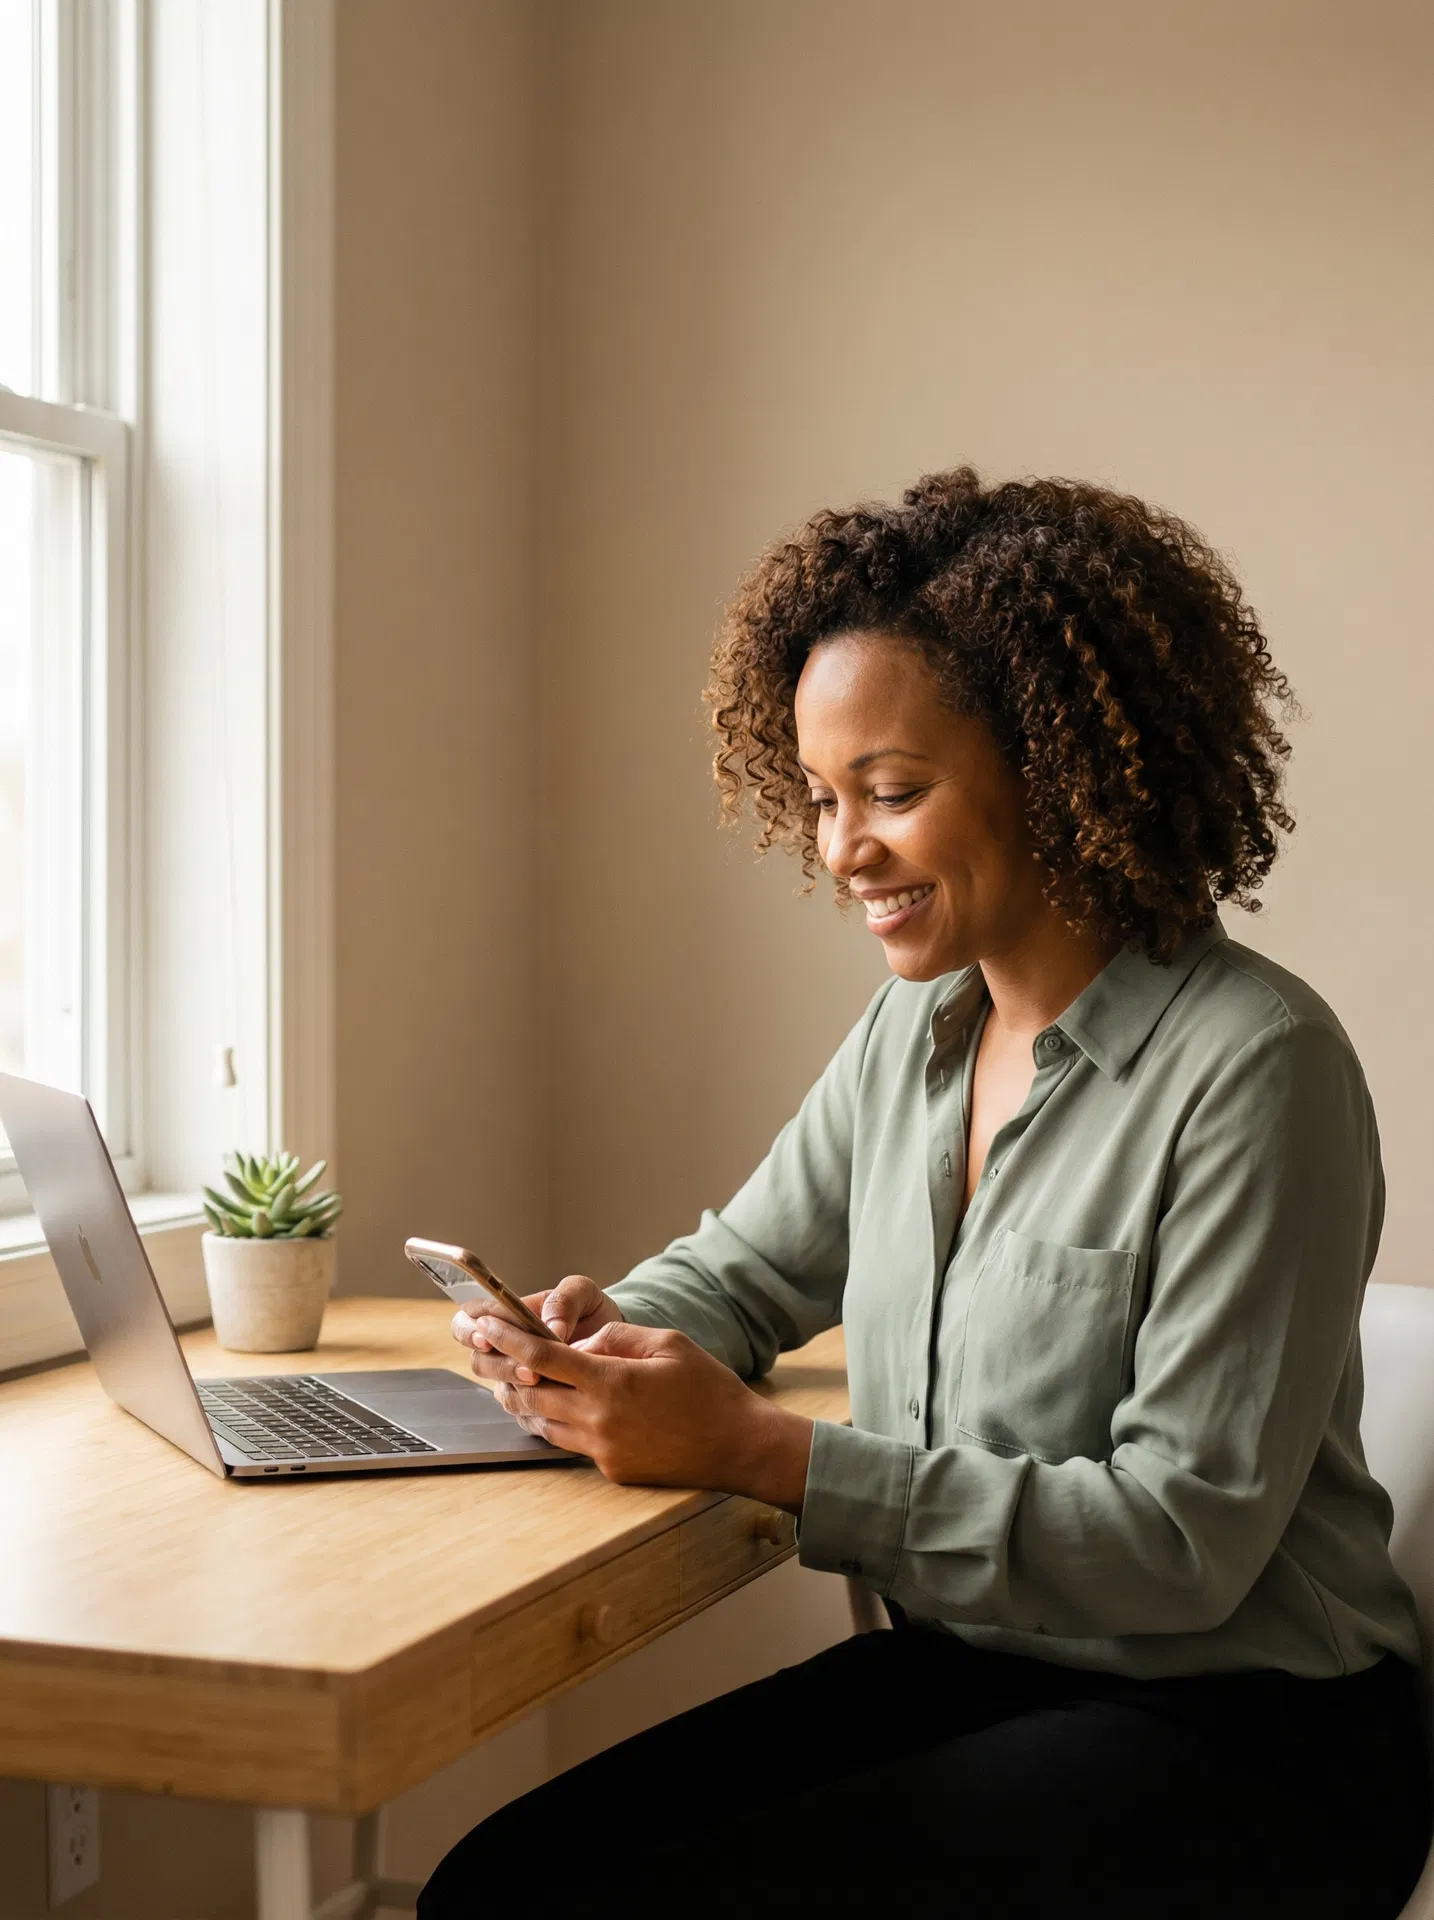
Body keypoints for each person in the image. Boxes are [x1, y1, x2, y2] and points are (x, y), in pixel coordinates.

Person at [418, 470, 1430, 1919]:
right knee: (499, 1885)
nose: (842, 850)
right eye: (823, 799)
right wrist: (593, 1339)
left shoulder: (1257, 1071)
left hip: (1243, 1733)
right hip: (974, 1676)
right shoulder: (919, 1032)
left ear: (1062, 763)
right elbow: (749, 1269)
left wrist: (774, 1456)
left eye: (891, 794)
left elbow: (1178, 1544)